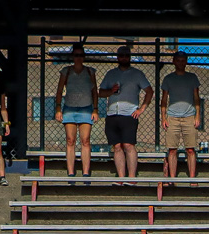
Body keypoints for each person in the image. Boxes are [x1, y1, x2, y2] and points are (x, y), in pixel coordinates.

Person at [99, 46, 152, 185]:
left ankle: (132, 178)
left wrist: (141, 109)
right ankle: (121, 178)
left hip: (129, 114)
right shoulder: (110, 74)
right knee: (117, 146)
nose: (123, 58)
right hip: (112, 113)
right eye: (121, 55)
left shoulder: (137, 74)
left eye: (126, 55)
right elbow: (100, 93)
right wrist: (111, 91)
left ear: (129, 56)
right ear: (117, 57)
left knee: (128, 145)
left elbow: (149, 91)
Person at [54, 43, 99, 180]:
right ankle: (71, 172)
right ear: (72, 57)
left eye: (80, 55)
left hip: (86, 108)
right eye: (76, 55)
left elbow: (94, 92)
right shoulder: (66, 71)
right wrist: (58, 108)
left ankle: (85, 172)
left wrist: (95, 109)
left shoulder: (90, 72)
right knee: (70, 140)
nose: (78, 58)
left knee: (85, 140)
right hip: (70, 108)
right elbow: (60, 91)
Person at [159, 51, 203, 181]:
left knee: (190, 149)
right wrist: (164, 117)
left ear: (186, 61)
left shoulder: (192, 78)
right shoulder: (168, 78)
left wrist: (197, 115)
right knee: (172, 150)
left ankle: (192, 179)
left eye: (183, 60)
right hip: (172, 117)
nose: (180, 63)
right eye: (178, 60)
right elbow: (164, 99)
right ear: (173, 61)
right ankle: (172, 179)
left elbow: (196, 97)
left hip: (189, 116)